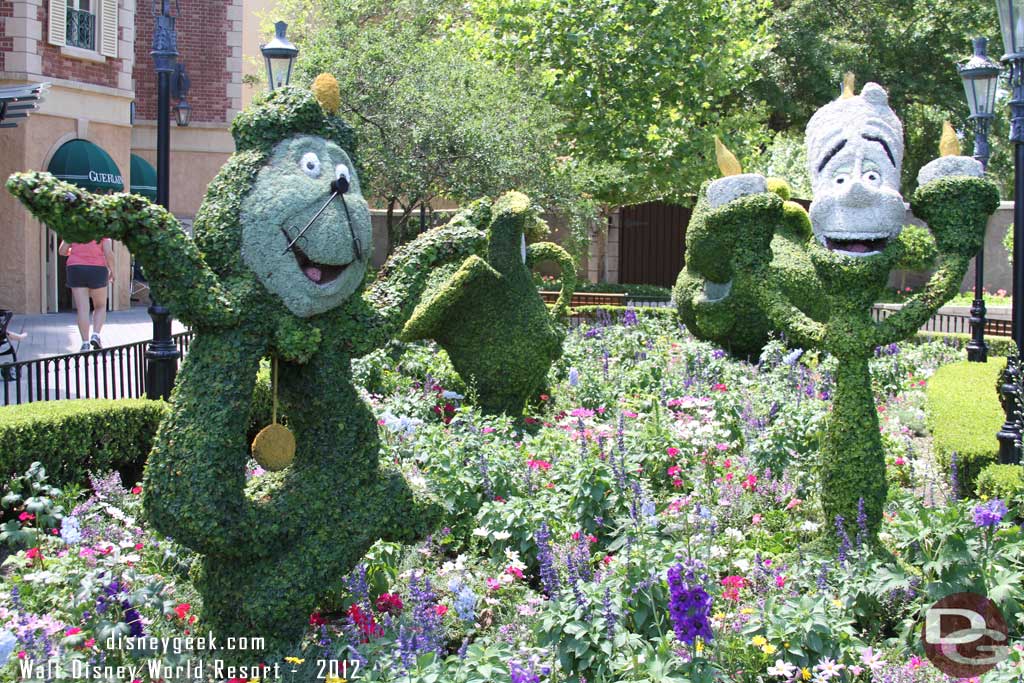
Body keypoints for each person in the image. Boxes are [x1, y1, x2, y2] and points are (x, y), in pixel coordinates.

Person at [59, 238, 114, 351]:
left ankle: (85, 343)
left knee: (82, 308)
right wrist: (113, 271)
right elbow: (108, 253)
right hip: (97, 268)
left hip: (76, 268)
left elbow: (62, 250)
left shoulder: (73, 227)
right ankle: (96, 335)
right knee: (100, 306)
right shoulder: (101, 228)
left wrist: (73, 251)